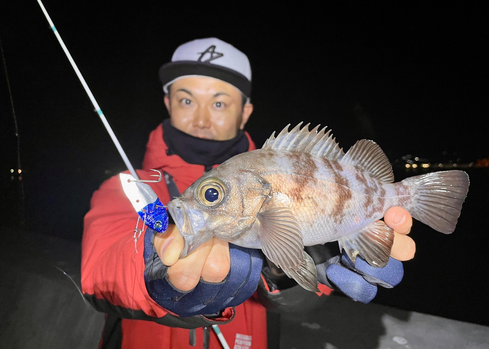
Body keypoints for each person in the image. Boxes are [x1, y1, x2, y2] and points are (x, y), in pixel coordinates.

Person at [81, 37, 415, 349]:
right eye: (186, 99)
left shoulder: (274, 173)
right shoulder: (129, 187)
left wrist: (286, 271)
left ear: (245, 112)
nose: (200, 118)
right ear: (167, 103)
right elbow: (99, 277)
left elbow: (304, 301)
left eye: (219, 102)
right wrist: (151, 270)